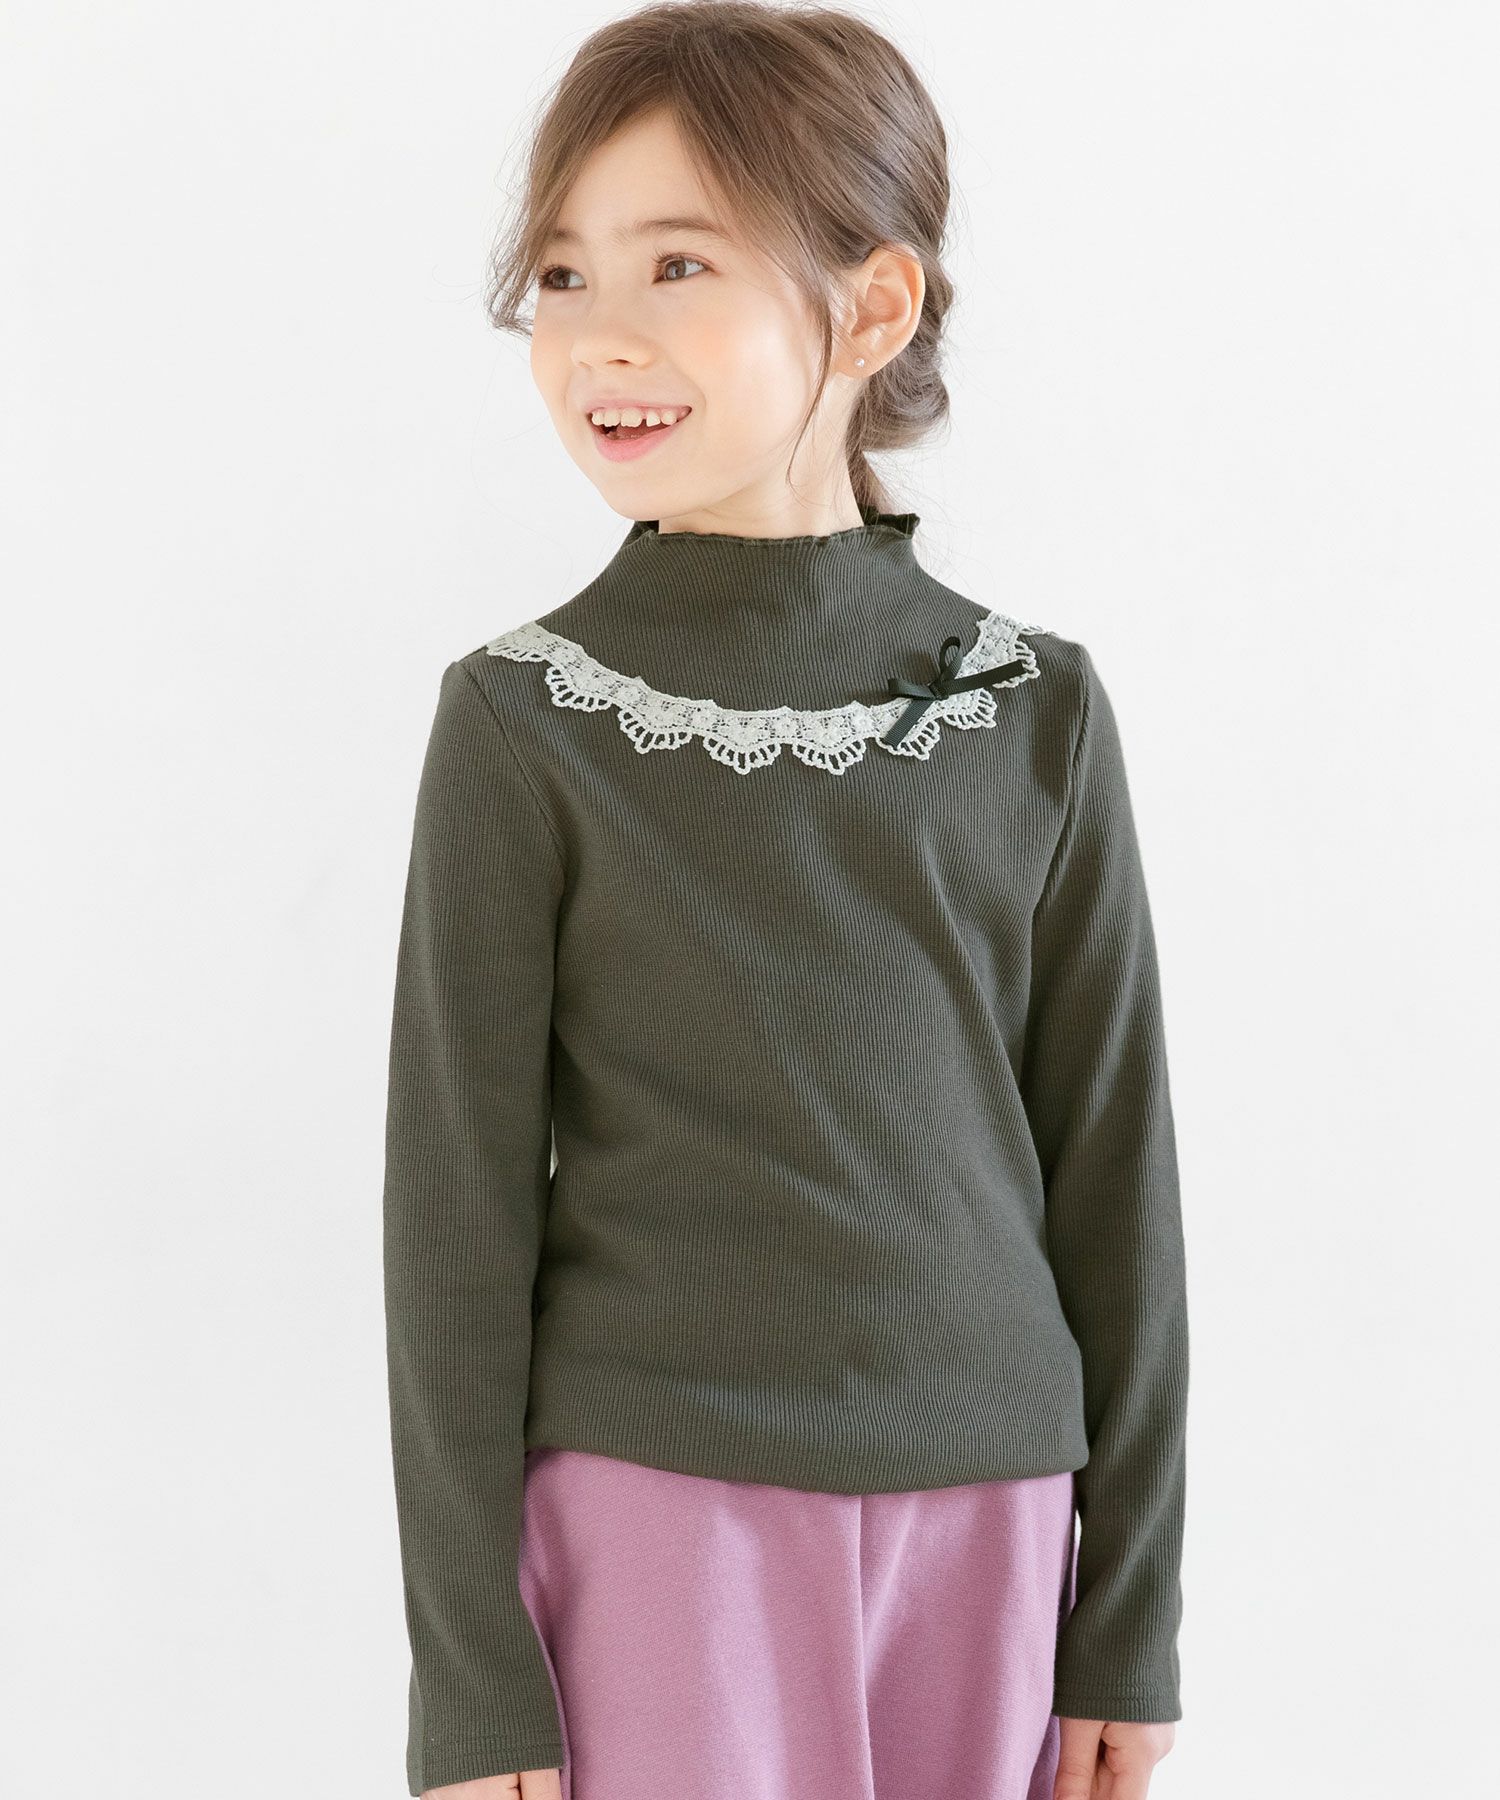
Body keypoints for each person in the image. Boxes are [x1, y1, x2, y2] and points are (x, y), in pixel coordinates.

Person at [381, 6, 1189, 1798]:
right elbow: (451, 1230)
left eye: (678, 263)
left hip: (994, 1520)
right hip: (657, 1516)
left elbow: (1116, 1180)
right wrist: (473, 1680)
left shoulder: (1035, 710)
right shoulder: (523, 723)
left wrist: (1129, 1612)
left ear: (874, 307)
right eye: (564, 277)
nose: (602, 337)